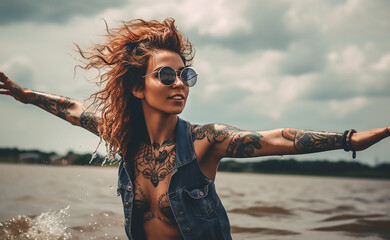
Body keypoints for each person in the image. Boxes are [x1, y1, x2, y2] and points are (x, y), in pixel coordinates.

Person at [0, 18, 389, 240]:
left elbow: (274, 138)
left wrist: (349, 139)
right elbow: (72, 108)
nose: (179, 83)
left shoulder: (206, 141)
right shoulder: (123, 136)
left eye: (185, 74)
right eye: (165, 74)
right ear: (138, 87)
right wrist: (24, 94)